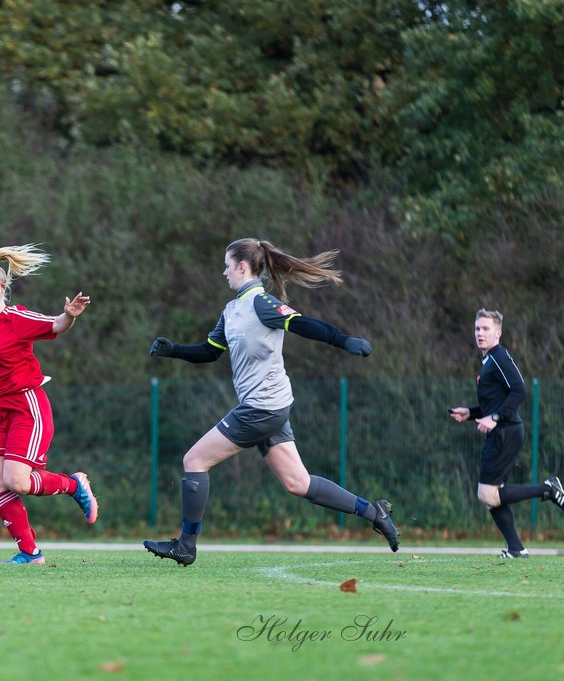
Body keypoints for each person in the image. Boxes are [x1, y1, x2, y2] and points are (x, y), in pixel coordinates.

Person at [143, 238, 401, 565]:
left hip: (262, 408)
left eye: (227, 265)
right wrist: (174, 350)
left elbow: (304, 324)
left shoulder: (261, 303)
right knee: (298, 483)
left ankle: (186, 545)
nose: (223, 272)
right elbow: (209, 352)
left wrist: (344, 340)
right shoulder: (232, 311)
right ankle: (373, 511)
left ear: (241, 267)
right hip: (268, 408)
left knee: (194, 460)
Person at [0, 244, 98, 565]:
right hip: (1, 411)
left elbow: (55, 325)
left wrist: (70, 314)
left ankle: (74, 485)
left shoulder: (17, 317)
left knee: (17, 481)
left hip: (28, 405)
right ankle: (30, 553)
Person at [448, 308, 564, 558]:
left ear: (498, 333)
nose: (480, 333)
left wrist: (493, 418)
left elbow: (519, 391)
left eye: (485, 329)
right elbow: (495, 403)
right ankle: (516, 548)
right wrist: (470, 413)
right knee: (492, 495)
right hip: (503, 430)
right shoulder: (488, 362)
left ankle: (547, 489)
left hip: (506, 431)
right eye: (477, 328)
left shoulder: (499, 358)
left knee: (487, 493)